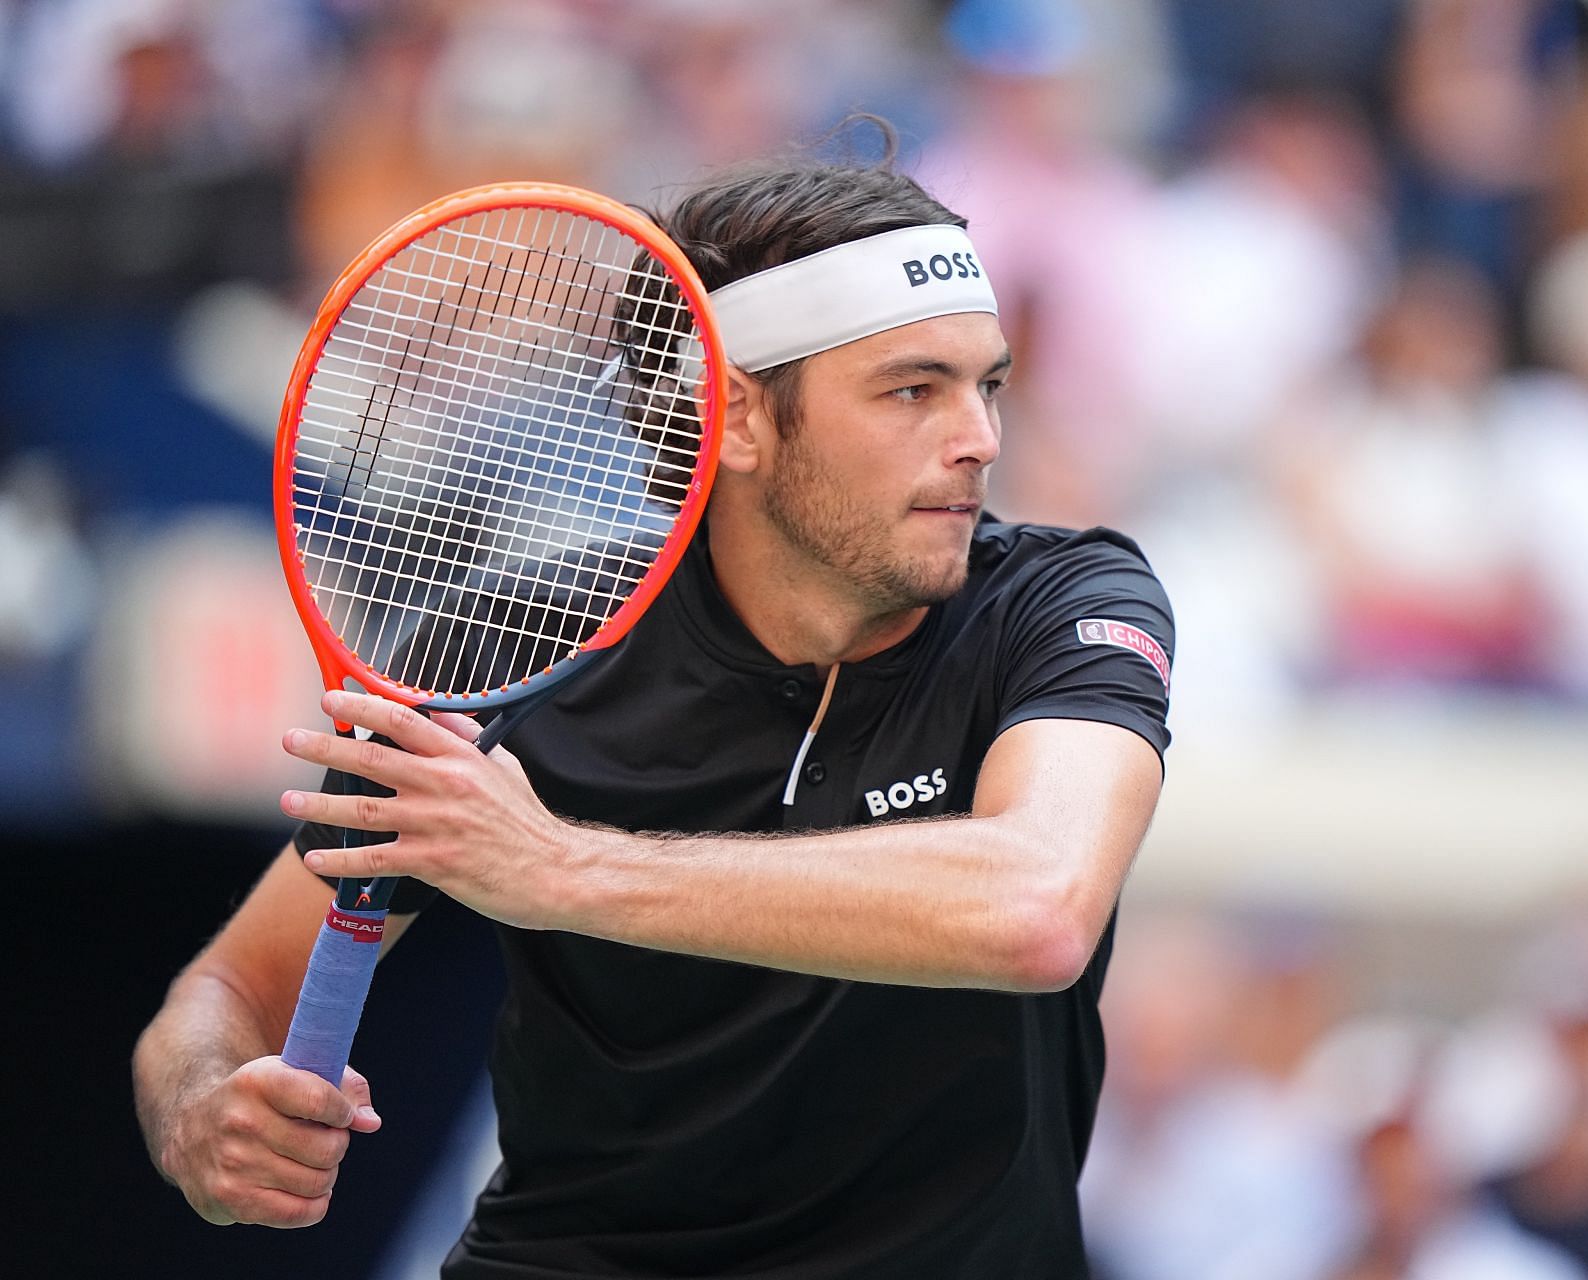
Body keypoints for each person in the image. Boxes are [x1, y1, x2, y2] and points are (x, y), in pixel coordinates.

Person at [132, 137, 1175, 1278]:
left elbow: (1036, 906)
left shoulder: (1066, 598)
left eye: (988, 384)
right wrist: (204, 1104)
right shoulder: (516, 648)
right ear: (732, 420)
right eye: (911, 390)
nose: (979, 437)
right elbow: (230, 987)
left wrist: (557, 866)